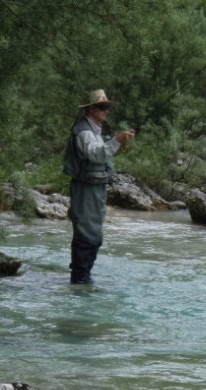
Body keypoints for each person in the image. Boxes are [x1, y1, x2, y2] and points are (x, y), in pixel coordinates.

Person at [63, 89, 135, 284]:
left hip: (95, 187)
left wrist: (117, 141)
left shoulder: (94, 129)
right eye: (102, 107)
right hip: (85, 188)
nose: (106, 111)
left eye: (107, 107)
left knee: (94, 235)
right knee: (87, 235)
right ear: (91, 109)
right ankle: (79, 281)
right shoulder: (84, 132)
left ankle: (83, 279)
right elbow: (95, 154)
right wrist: (117, 140)